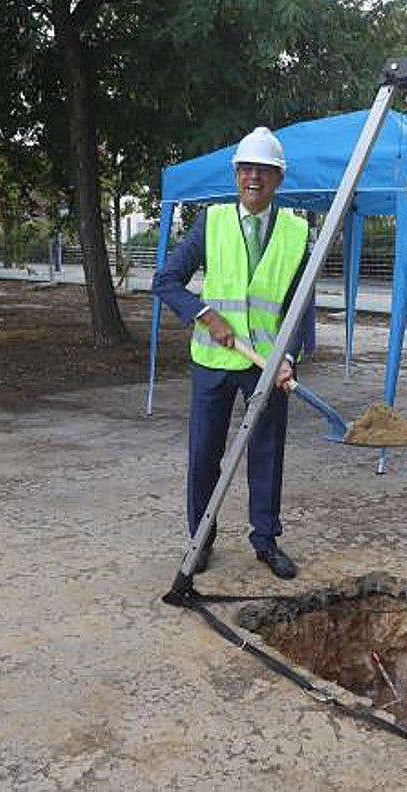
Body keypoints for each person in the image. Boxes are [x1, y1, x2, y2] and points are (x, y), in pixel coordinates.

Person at [152, 127, 308, 580]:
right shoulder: (212, 222)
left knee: (266, 454)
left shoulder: (298, 232)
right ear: (236, 175)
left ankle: (266, 540)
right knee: (204, 454)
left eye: (263, 170)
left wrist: (288, 357)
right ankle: (201, 538)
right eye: (246, 169)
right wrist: (204, 314)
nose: (253, 177)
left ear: (279, 178)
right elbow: (166, 281)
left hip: (267, 365)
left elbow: (300, 310)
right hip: (214, 362)